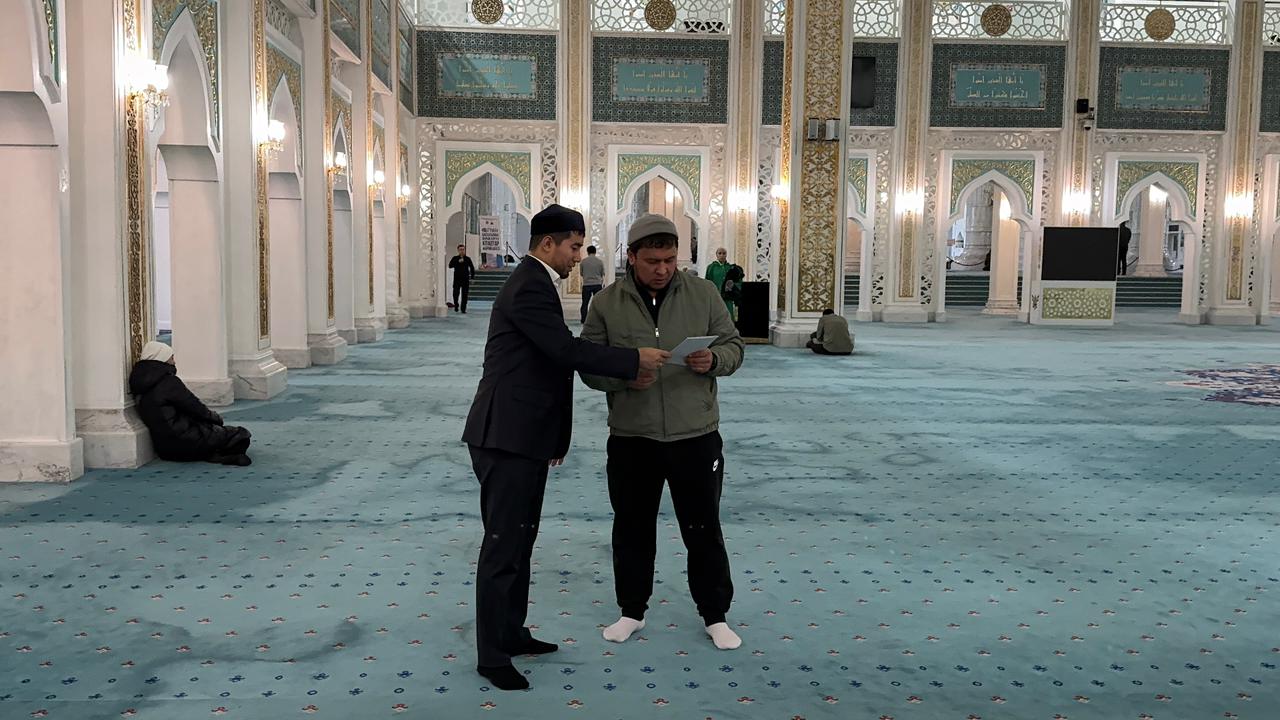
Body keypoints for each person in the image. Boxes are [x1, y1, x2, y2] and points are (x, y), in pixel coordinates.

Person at [462, 204, 671, 691]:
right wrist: (632, 360)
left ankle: (511, 633)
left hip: (524, 434)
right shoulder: (529, 285)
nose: (579, 256)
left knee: (520, 540)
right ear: (547, 244)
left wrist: (554, 436)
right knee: (503, 547)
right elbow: (565, 351)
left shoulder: (536, 282)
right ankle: (492, 655)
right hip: (505, 436)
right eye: (574, 247)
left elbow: (547, 365)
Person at [580, 214, 746, 652]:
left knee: (703, 527)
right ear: (632, 257)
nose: (662, 269)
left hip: (696, 434)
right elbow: (589, 365)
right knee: (632, 528)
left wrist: (714, 361)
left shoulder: (704, 293)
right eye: (653, 261)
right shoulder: (606, 304)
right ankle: (631, 611)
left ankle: (715, 615)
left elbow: (733, 345)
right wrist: (625, 374)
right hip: (633, 436)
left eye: (670, 260)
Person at [129, 342, 252, 466]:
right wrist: (216, 419)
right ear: (162, 359)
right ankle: (218, 455)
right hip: (187, 441)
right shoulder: (168, 382)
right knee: (241, 434)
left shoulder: (138, 384)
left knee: (216, 435)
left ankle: (215, 454)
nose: (174, 361)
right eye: (171, 358)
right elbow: (196, 408)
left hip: (164, 450)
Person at [704, 247, 742, 321]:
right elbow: (707, 282)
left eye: (724, 253)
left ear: (726, 255)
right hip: (715, 296)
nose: (722, 255)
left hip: (727, 296)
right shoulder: (711, 267)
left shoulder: (730, 268)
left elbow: (738, 281)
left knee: (728, 315)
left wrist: (733, 285)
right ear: (716, 255)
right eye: (720, 253)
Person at [578, 244, 606, 324]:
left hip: (587, 284)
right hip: (597, 284)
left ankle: (583, 320)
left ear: (587, 252)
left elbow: (581, 273)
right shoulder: (600, 262)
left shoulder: (583, 262)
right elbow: (602, 273)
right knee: (598, 303)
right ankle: (598, 320)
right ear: (595, 252)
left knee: (585, 303)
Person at [449, 244, 476, 313]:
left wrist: (472, 278)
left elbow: (472, 268)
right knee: (455, 294)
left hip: (465, 279)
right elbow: (450, 265)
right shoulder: (455, 258)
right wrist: (457, 262)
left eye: (463, 249)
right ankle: (456, 305)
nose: (462, 251)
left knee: (465, 295)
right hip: (457, 279)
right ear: (458, 250)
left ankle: (463, 309)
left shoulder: (467, 259)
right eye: (460, 250)